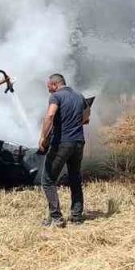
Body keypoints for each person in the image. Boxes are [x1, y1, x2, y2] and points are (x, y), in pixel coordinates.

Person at [37, 73, 90, 227]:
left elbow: (50, 115)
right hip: (79, 142)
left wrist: (43, 138)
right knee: (75, 178)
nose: (49, 92)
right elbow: (87, 117)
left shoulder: (56, 96)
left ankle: (56, 218)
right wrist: (74, 123)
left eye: (49, 88)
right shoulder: (79, 96)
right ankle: (77, 216)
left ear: (55, 84)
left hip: (62, 143)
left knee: (47, 180)